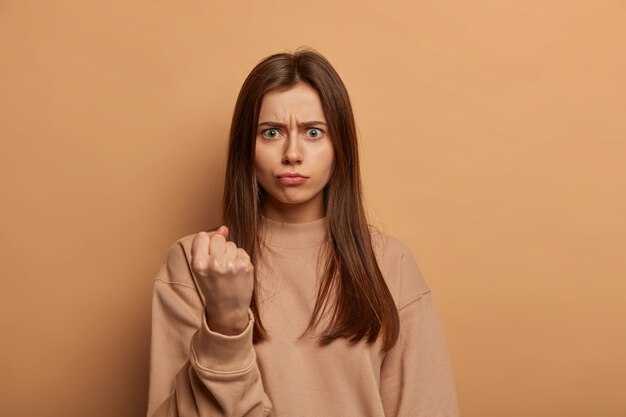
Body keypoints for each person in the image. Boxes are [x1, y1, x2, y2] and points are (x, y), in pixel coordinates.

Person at [146, 47, 460, 417]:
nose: (292, 153)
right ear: (247, 147)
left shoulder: (390, 263)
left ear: (339, 147)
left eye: (313, 132)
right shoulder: (196, 263)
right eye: (272, 132)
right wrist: (225, 324)